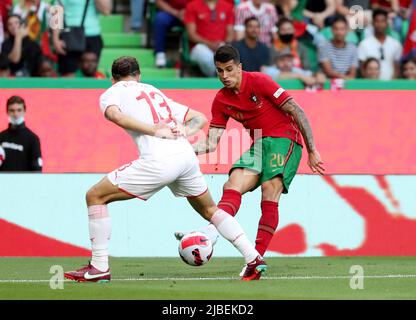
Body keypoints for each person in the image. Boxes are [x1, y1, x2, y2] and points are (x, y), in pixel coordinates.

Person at [64, 56, 267, 282]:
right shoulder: (152, 90)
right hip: (185, 157)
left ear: (112, 79)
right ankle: (253, 258)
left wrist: (153, 130)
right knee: (210, 209)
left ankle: (99, 266)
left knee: (95, 196)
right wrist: (183, 133)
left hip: (158, 160)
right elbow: (198, 118)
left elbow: (114, 115)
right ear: (139, 76)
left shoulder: (113, 91)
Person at [175, 45, 324, 275]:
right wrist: (182, 149)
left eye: (229, 69)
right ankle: (212, 235)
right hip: (259, 144)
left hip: (285, 139)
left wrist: (312, 150)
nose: (224, 76)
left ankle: (256, 256)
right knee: (232, 184)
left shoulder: (260, 81)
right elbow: (211, 143)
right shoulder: (221, 100)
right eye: (219, 71)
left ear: (240, 67)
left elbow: (296, 109)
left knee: (269, 189)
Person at [52, 0, 112, 77]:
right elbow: (56, 10)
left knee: (90, 73)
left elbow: (106, 11)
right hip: (69, 36)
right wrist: (55, 39)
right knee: (68, 73)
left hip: (92, 34)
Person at [184, 0, 234, 77]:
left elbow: (230, 33)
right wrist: (209, 44)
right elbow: (191, 34)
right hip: (199, 46)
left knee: (228, 52)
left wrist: (224, 45)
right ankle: (217, 77)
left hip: (220, 45)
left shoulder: (227, 7)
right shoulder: (192, 6)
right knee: (204, 55)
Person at [0, 95, 42, 172]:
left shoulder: (32, 139)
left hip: (23, 183)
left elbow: (37, 170)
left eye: (19, 110)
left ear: (24, 111)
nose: (16, 114)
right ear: (7, 112)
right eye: (12, 110)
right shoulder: (1, 137)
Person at [358, 9, 403, 80]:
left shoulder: (395, 44)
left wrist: (392, 84)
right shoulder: (364, 44)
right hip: (371, 86)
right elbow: (362, 68)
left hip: (390, 85)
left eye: (382, 21)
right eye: (377, 21)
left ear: (387, 23)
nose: (380, 24)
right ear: (372, 23)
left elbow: (397, 67)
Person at [318, 15, 358, 79]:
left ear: (347, 30)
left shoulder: (353, 48)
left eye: (342, 29)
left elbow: (352, 73)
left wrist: (346, 79)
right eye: (336, 29)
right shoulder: (323, 47)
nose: (339, 32)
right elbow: (329, 71)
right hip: (328, 85)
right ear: (332, 30)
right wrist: (345, 78)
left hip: (347, 85)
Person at [153, 0, 187, 68]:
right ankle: (160, 54)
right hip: (172, 13)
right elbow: (159, 2)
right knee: (160, 18)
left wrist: (188, 12)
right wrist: (176, 12)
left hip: (192, 13)